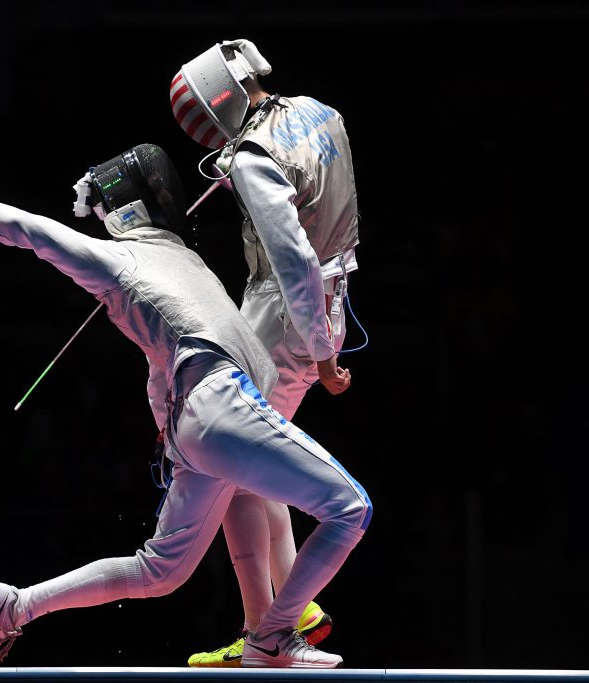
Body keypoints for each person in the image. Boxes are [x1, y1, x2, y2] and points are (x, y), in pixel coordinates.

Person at [0, 143, 371, 669]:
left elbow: (162, 364)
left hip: (203, 422)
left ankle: (13, 608)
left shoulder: (182, 258)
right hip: (220, 405)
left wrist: (166, 424)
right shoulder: (112, 260)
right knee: (349, 509)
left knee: (159, 572)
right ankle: (273, 634)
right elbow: (26, 229)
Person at [170, 40, 363, 666]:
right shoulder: (318, 111)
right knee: (253, 455)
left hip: (283, 319)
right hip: (327, 300)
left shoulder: (254, 157)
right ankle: (281, 617)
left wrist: (322, 353)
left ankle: (268, 631)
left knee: (235, 459)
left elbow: (293, 261)